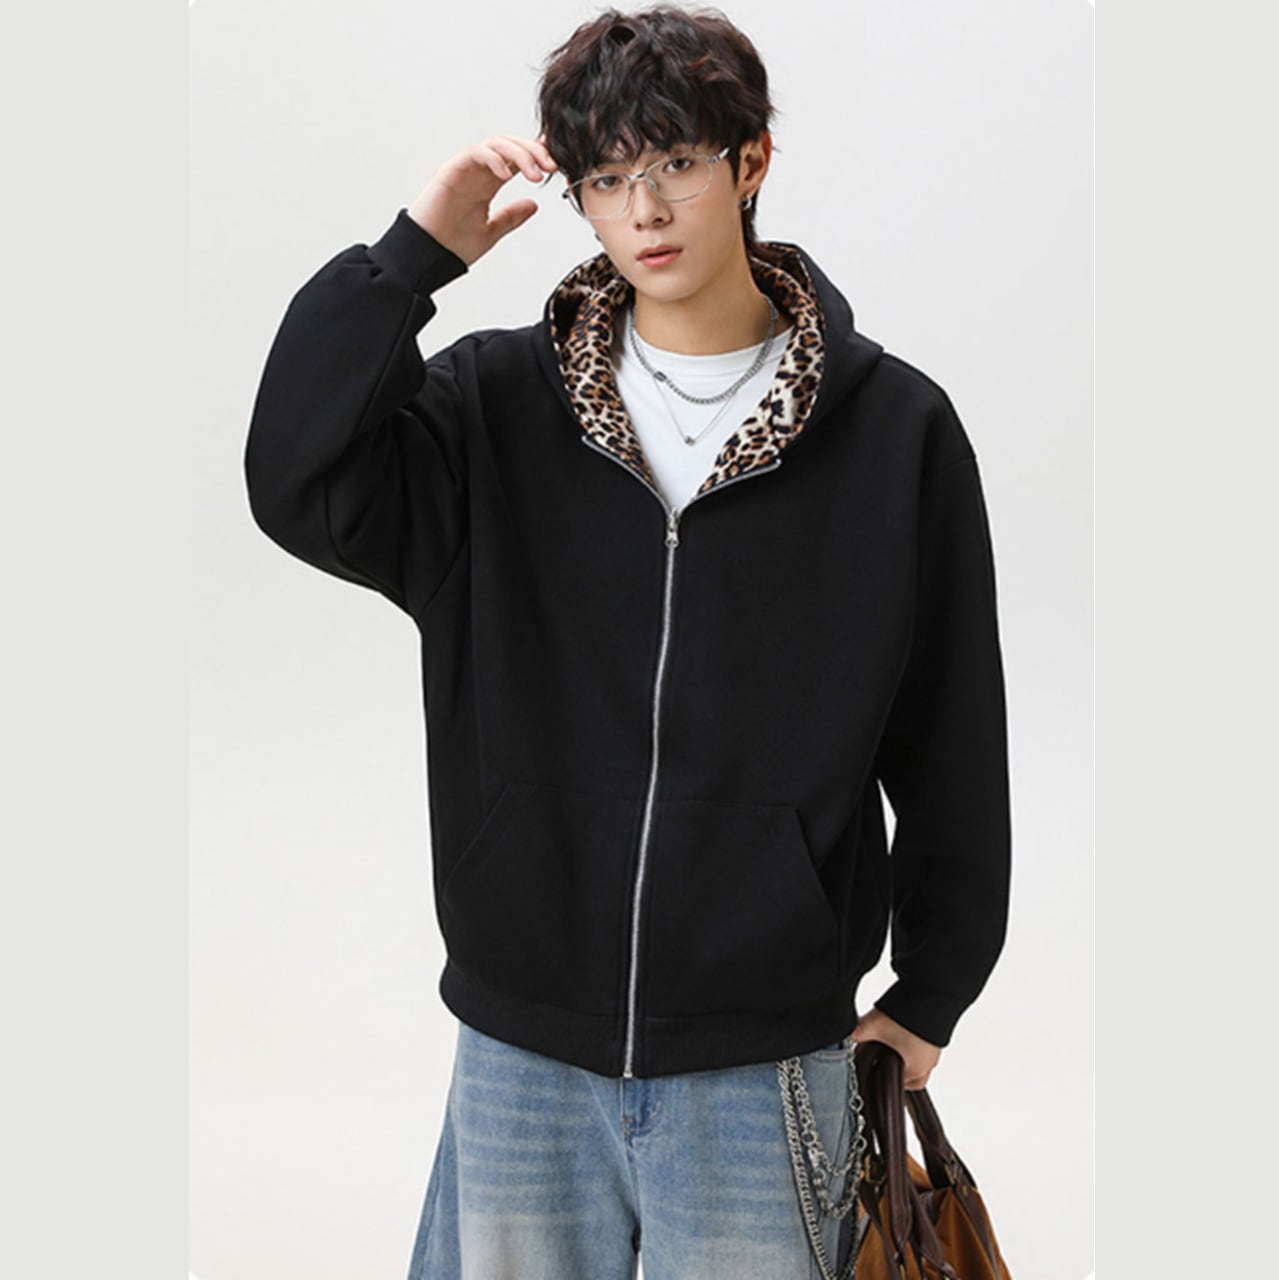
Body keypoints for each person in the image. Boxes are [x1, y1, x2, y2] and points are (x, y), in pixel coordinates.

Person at [243, 7, 1011, 1278]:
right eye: (605, 178)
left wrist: (933, 987)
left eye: (675, 164)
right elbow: (296, 475)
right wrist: (411, 257)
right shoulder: (491, 411)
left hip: (764, 1062)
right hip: (522, 1051)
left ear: (750, 162)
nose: (643, 208)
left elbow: (952, 732)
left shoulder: (895, 434)